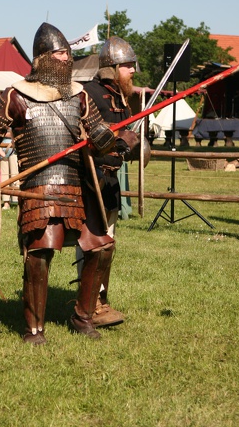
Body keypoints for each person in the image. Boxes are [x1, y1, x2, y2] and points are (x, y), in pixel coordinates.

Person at [0, 23, 137, 345]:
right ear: (43, 58)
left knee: (102, 247)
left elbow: (98, 138)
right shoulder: (16, 94)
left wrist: (114, 140)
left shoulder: (79, 94)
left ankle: (83, 317)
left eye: (69, 53)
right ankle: (34, 329)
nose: (67, 58)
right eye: (61, 53)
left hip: (79, 184)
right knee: (40, 255)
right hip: (40, 187)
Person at [74, 36, 147, 327]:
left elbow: (124, 138)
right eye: (128, 66)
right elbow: (85, 135)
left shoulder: (119, 96)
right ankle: (88, 304)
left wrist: (133, 143)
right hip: (92, 179)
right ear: (112, 67)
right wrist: (118, 140)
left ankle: (99, 299)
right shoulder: (88, 93)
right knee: (92, 244)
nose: (133, 71)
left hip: (111, 180)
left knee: (108, 244)